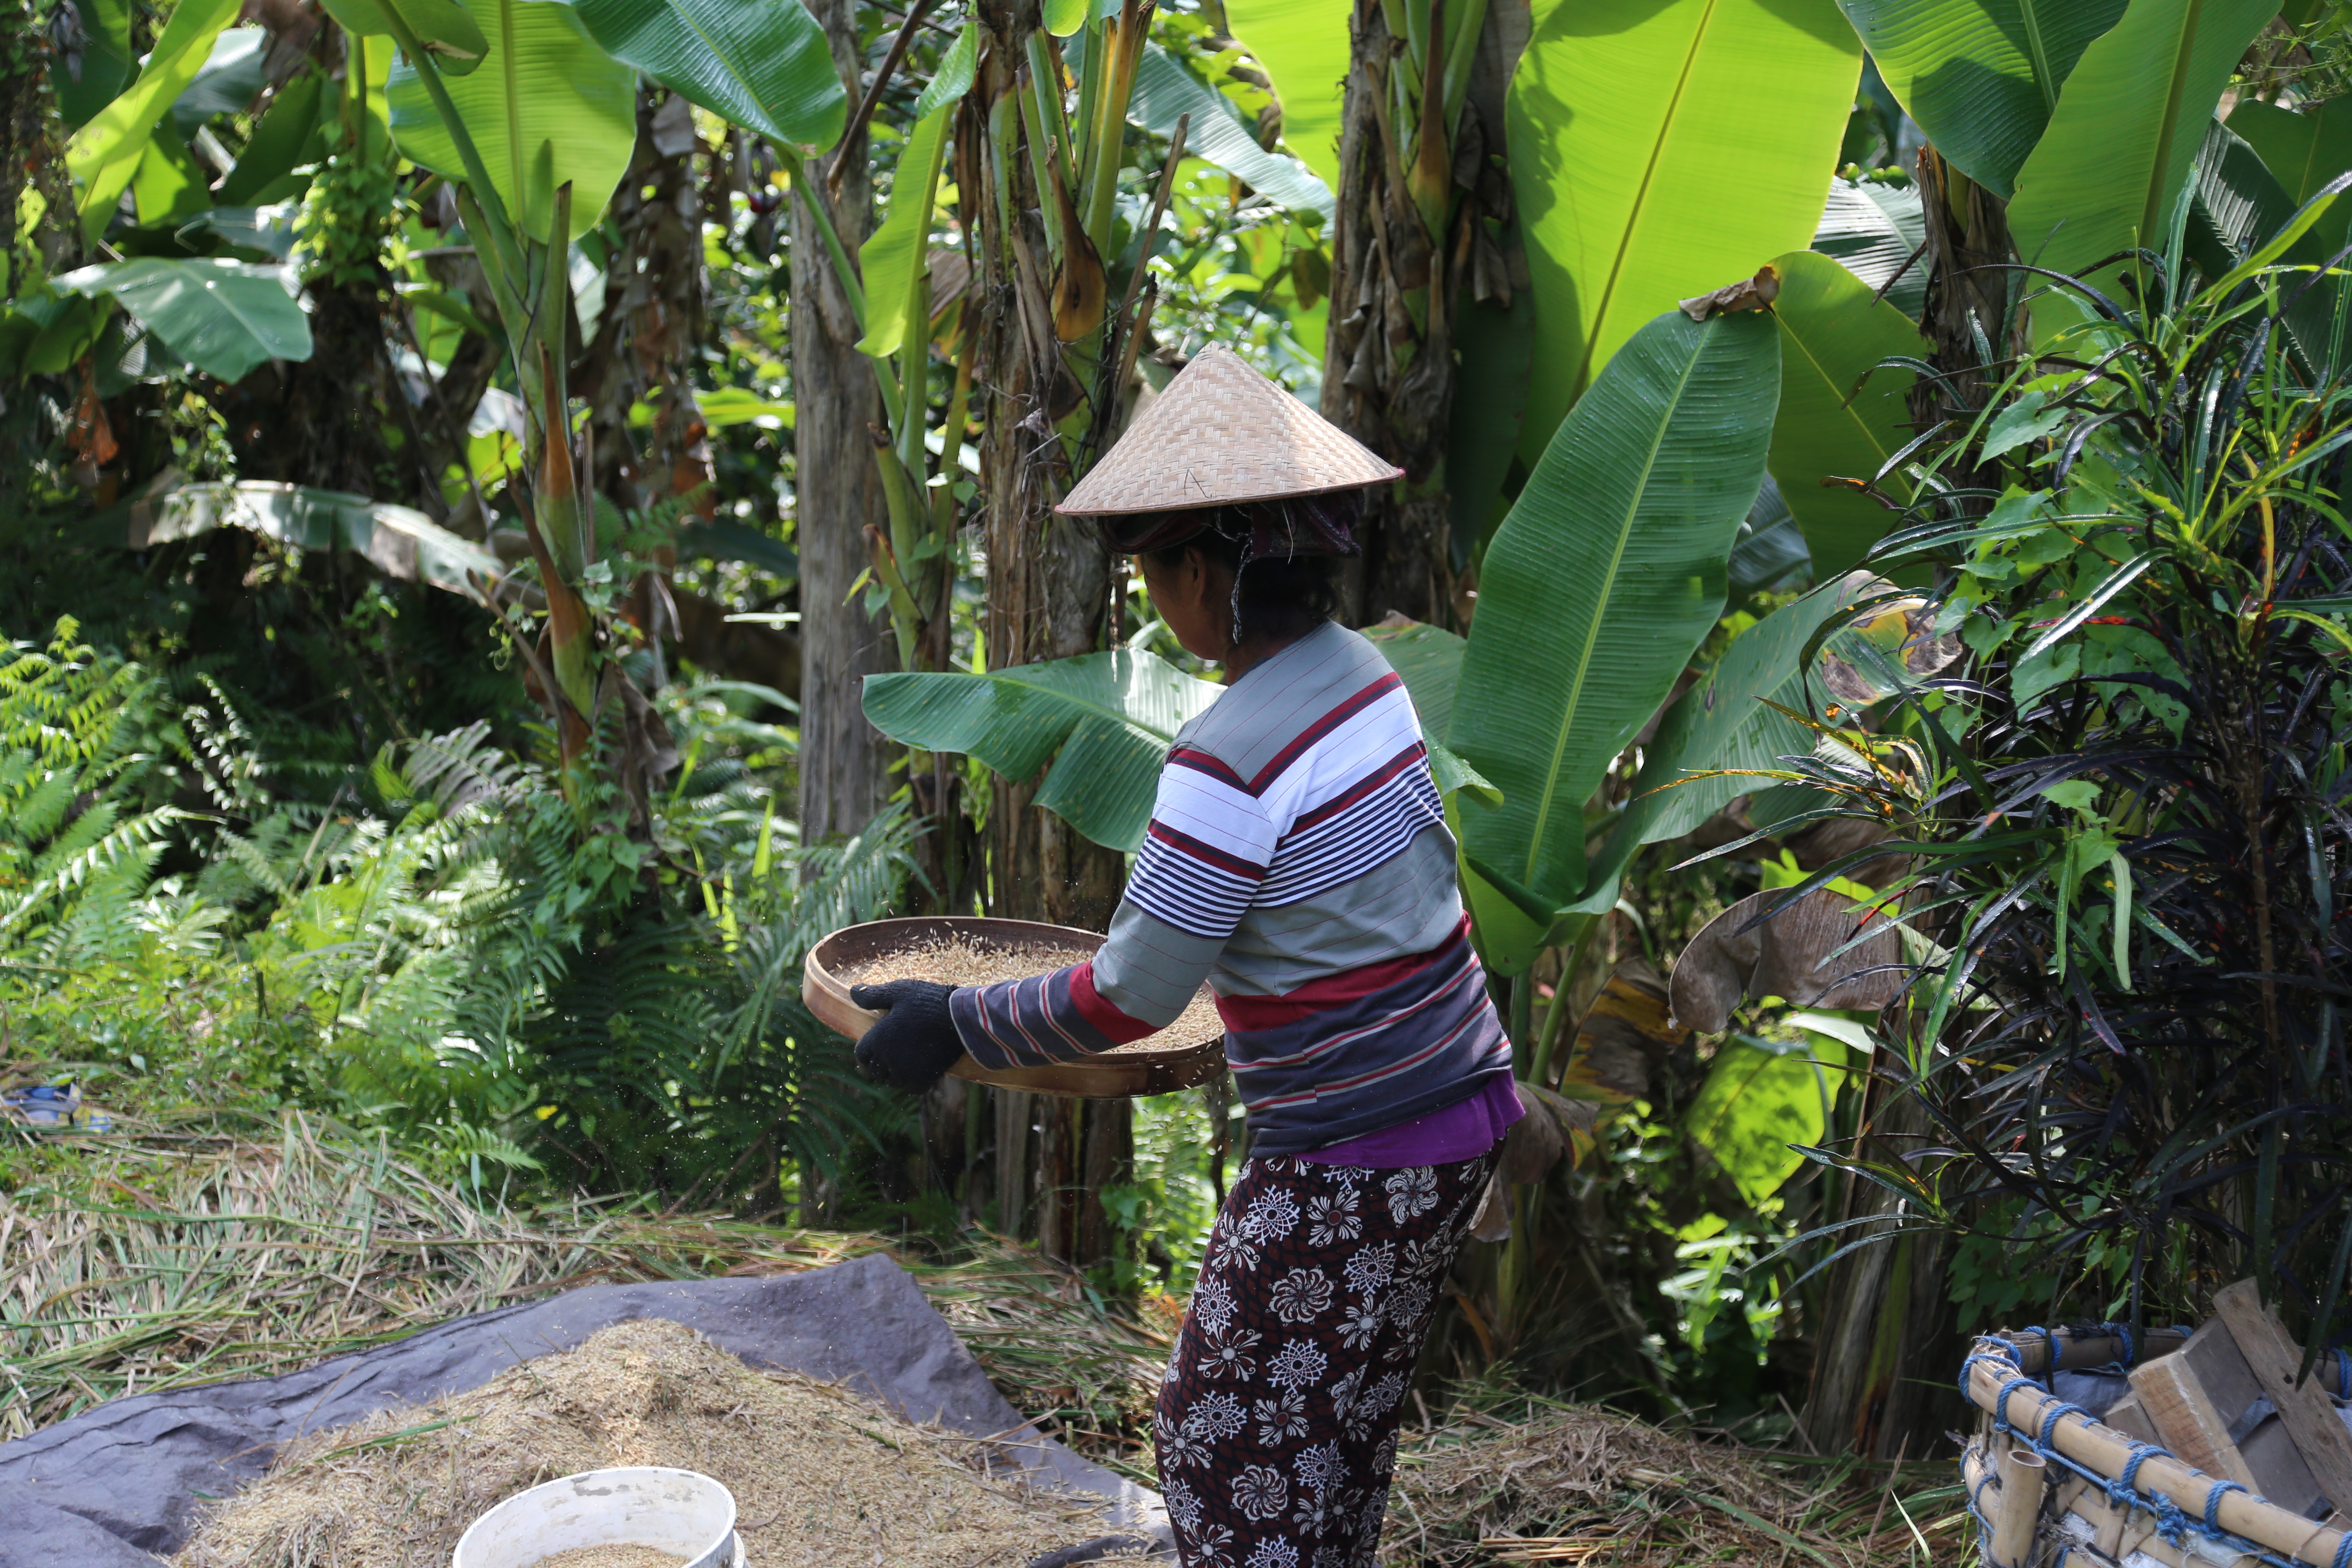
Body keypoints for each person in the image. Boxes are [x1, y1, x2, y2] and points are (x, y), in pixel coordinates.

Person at [851, 343, 1519, 1568]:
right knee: (1337, 1438)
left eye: (1157, 573)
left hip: (1353, 1157)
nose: (1160, 602)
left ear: (1206, 573)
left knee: (1227, 1454)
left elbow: (1133, 993)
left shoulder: (1226, 757)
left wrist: (954, 1021)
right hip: (1462, 1118)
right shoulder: (1366, 677)